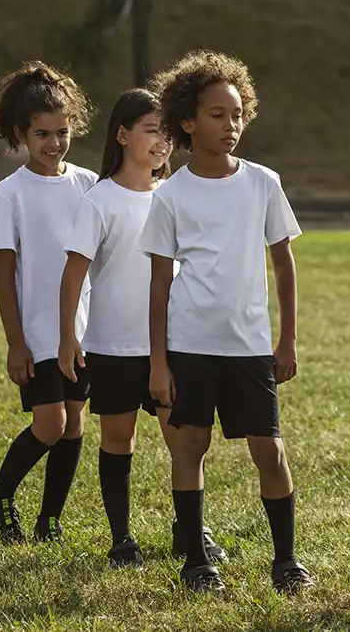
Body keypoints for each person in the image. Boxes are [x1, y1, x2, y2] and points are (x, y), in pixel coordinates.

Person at [139, 50, 315, 594]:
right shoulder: (169, 195)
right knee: (190, 446)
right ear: (187, 122)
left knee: (269, 449)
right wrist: (159, 362)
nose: (231, 124)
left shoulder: (263, 182)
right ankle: (196, 561)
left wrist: (286, 339)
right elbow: (160, 283)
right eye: (218, 114)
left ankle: (285, 561)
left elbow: (282, 261)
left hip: (249, 348)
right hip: (191, 345)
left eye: (237, 114)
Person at [57, 88, 228, 568]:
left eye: (169, 133)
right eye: (152, 130)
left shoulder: (176, 195)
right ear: (123, 134)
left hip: (172, 346)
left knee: (184, 438)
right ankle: (121, 539)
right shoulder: (101, 200)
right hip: (112, 346)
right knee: (118, 438)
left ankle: (190, 529)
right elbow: (73, 275)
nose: (162, 142)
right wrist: (68, 336)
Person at [0, 61, 99, 544]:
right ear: (20, 134)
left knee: (74, 426)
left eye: (63, 132)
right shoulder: (7, 195)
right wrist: (16, 343)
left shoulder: (90, 184)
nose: (54, 143)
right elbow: (4, 277)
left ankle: (50, 519)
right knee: (50, 424)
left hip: (86, 328)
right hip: (39, 331)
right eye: (42, 134)